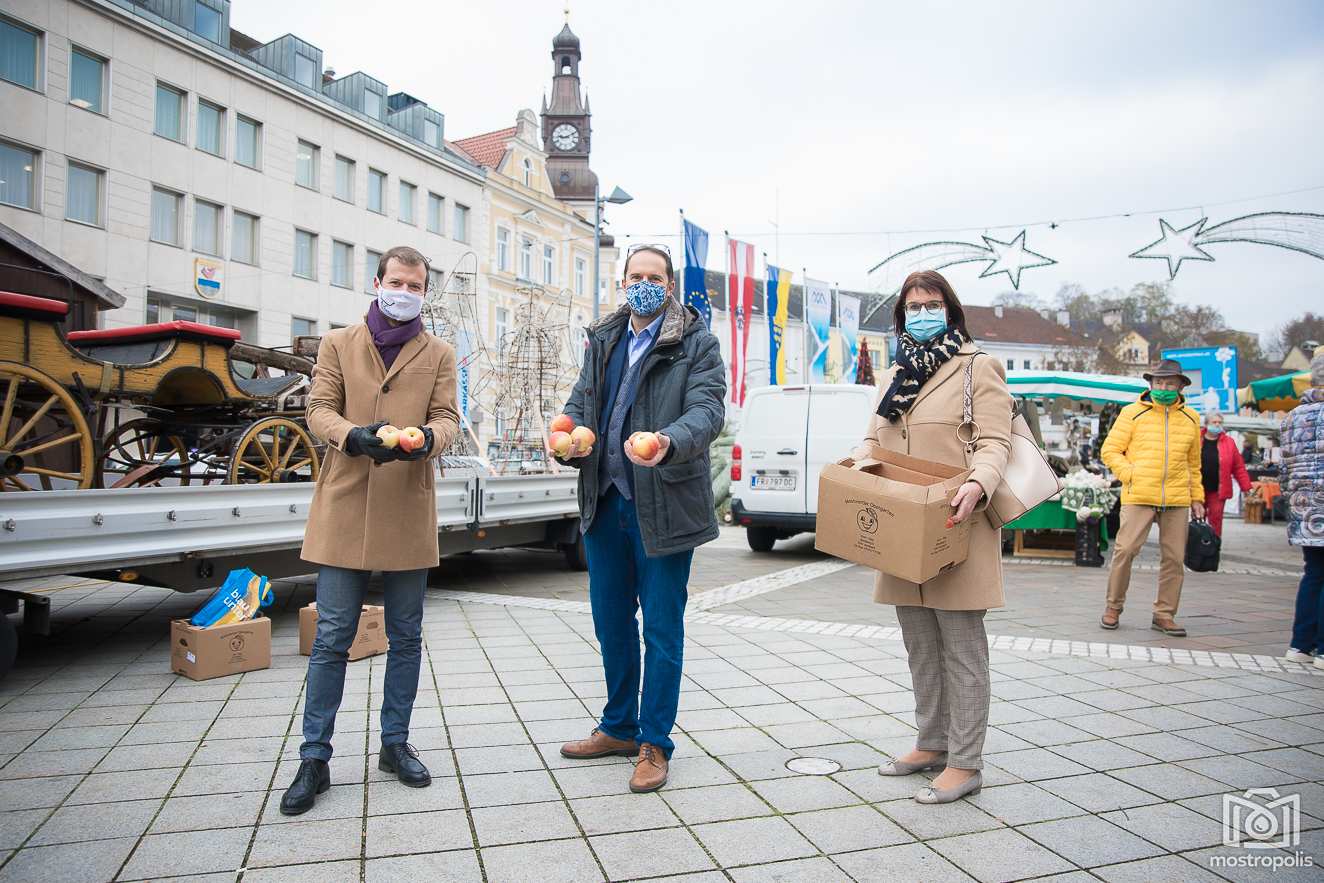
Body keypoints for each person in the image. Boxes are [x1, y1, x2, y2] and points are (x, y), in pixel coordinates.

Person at [280, 246, 460, 815]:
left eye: (416, 285)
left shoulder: (439, 353)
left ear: (424, 292)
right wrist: (354, 436)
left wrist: (429, 440)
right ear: (377, 282)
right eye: (398, 281)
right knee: (332, 636)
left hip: (408, 503)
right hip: (346, 501)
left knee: (406, 637)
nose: (405, 292)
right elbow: (318, 408)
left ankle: (394, 744)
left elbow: (449, 419)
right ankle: (314, 757)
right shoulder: (338, 344)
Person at [552, 244, 725, 793]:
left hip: (665, 504)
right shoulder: (604, 339)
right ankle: (620, 726)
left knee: (663, 628)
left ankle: (655, 741)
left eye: (654, 276)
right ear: (622, 283)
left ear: (669, 285)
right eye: (634, 276)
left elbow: (707, 410)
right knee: (611, 624)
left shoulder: (695, 341)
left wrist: (668, 441)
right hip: (604, 503)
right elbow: (582, 404)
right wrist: (564, 435)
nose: (643, 284)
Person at [853, 270, 1011, 805]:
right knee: (920, 644)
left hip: (956, 522)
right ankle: (932, 742)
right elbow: (873, 441)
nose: (923, 311)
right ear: (901, 314)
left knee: (962, 648)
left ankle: (966, 763)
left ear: (950, 309)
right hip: (903, 528)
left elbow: (995, 441)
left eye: (932, 303)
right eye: (913, 304)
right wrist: (854, 473)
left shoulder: (978, 368)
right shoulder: (895, 373)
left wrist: (978, 482)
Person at [1099, 359, 1205, 637]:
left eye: (1169, 383)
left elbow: (1194, 463)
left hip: (1177, 498)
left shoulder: (1192, 418)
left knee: (1174, 558)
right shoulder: (1132, 413)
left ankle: (1164, 613)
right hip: (1139, 494)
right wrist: (1129, 473)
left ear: (1181, 386)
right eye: (1159, 382)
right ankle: (1113, 607)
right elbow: (1110, 450)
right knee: (1125, 551)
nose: (1163, 387)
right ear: (1151, 384)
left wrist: (1198, 497)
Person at [1283, 350, 1324, 666]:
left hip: (1303, 507)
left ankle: (1300, 645)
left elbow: (1284, 468)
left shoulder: (1293, 416)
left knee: (1313, 573)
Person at [1201, 411, 1251, 537]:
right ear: (1206, 424)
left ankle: (1214, 547)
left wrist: (1246, 487)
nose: (1217, 425)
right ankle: (1197, 548)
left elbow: (1238, 467)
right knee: (1198, 519)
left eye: (1219, 422)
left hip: (1218, 490)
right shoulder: (1196, 440)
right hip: (1198, 489)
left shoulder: (1229, 442)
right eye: (1214, 422)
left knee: (1216, 520)